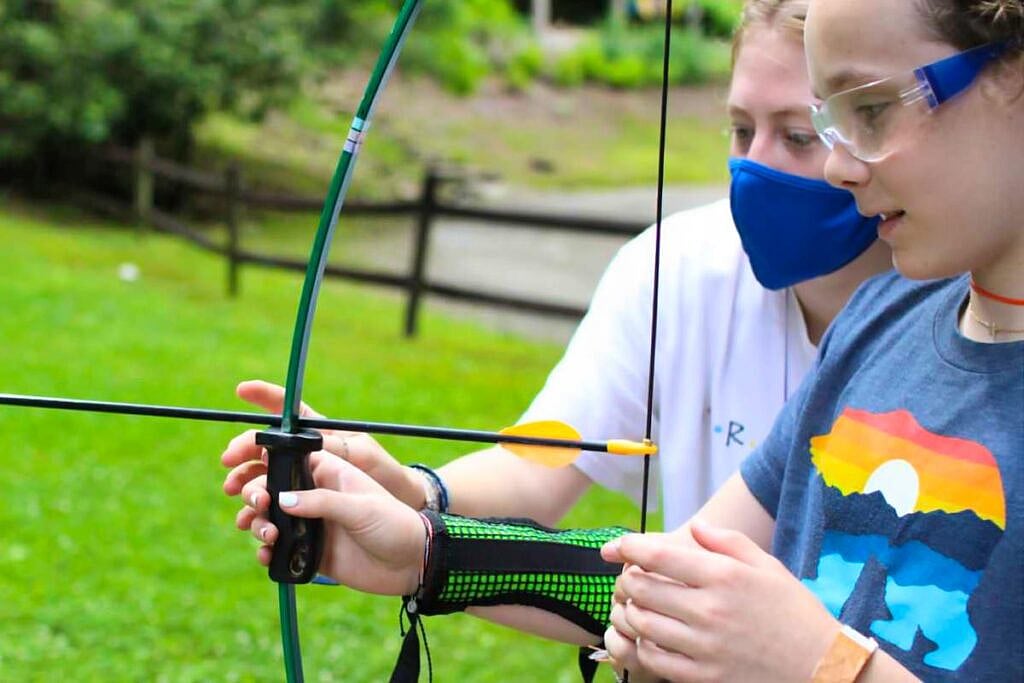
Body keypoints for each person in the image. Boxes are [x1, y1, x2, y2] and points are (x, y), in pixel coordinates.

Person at [227, 0, 1023, 681]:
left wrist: (815, 660)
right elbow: (658, 572)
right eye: (745, 129)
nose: (841, 166)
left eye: (869, 111)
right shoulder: (878, 324)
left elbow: (776, 640)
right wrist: (424, 541)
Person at [223, 0, 893, 541]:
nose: (757, 166)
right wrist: (415, 490)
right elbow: (541, 460)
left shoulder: (959, 301)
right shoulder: (671, 267)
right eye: (741, 131)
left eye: (800, 135)